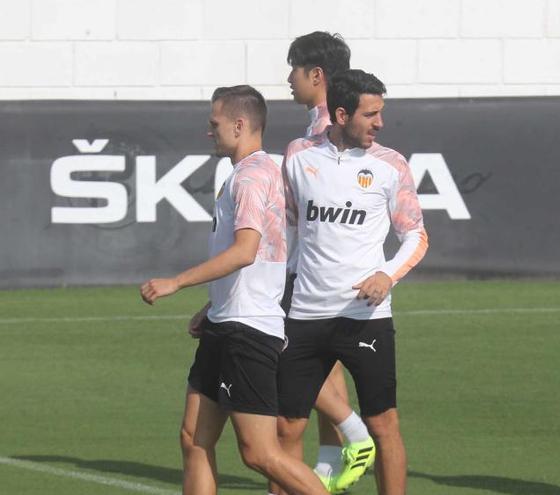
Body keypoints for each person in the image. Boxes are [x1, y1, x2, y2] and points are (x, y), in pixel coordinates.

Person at [140, 85, 328, 495]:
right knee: (194, 438)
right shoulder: (244, 173)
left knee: (259, 453)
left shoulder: (254, 176)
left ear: (239, 125)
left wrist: (177, 282)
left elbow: (245, 252)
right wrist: (213, 307)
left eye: (215, 123)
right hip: (225, 324)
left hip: (249, 331)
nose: (210, 131)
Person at [276, 69, 428, 495]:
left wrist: (387, 274)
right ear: (341, 114)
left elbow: (416, 235)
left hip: (366, 318)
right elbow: (286, 229)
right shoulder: (299, 155)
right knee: (286, 428)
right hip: (305, 314)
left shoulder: (390, 165)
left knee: (383, 424)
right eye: (371, 114)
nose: (379, 123)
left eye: (381, 113)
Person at [278, 31, 375, 494]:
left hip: (310, 270)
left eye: (294, 69)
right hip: (331, 272)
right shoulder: (327, 125)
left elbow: (301, 213)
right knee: (326, 363)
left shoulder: (321, 132)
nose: (289, 79)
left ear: (317, 75)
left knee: (288, 356)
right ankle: (329, 466)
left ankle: (354, 436)